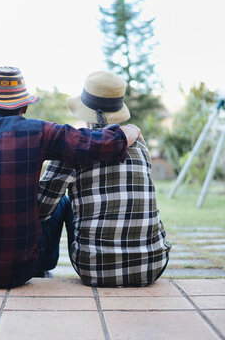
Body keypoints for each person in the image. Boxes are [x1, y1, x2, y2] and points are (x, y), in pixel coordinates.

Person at [0, 66, 143, 288]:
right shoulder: (40, 132)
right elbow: (94, 144)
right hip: (20, 270)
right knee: (59, 203)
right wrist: (129, 132)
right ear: (25, 106)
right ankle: (44, 264)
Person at [38, 70, 171, 287]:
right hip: (153, 266)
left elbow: (41, 209)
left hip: (94, 270)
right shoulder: (140, 145)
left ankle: (41, 266)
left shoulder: (73, 148)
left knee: (61, 201)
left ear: (86, 112)